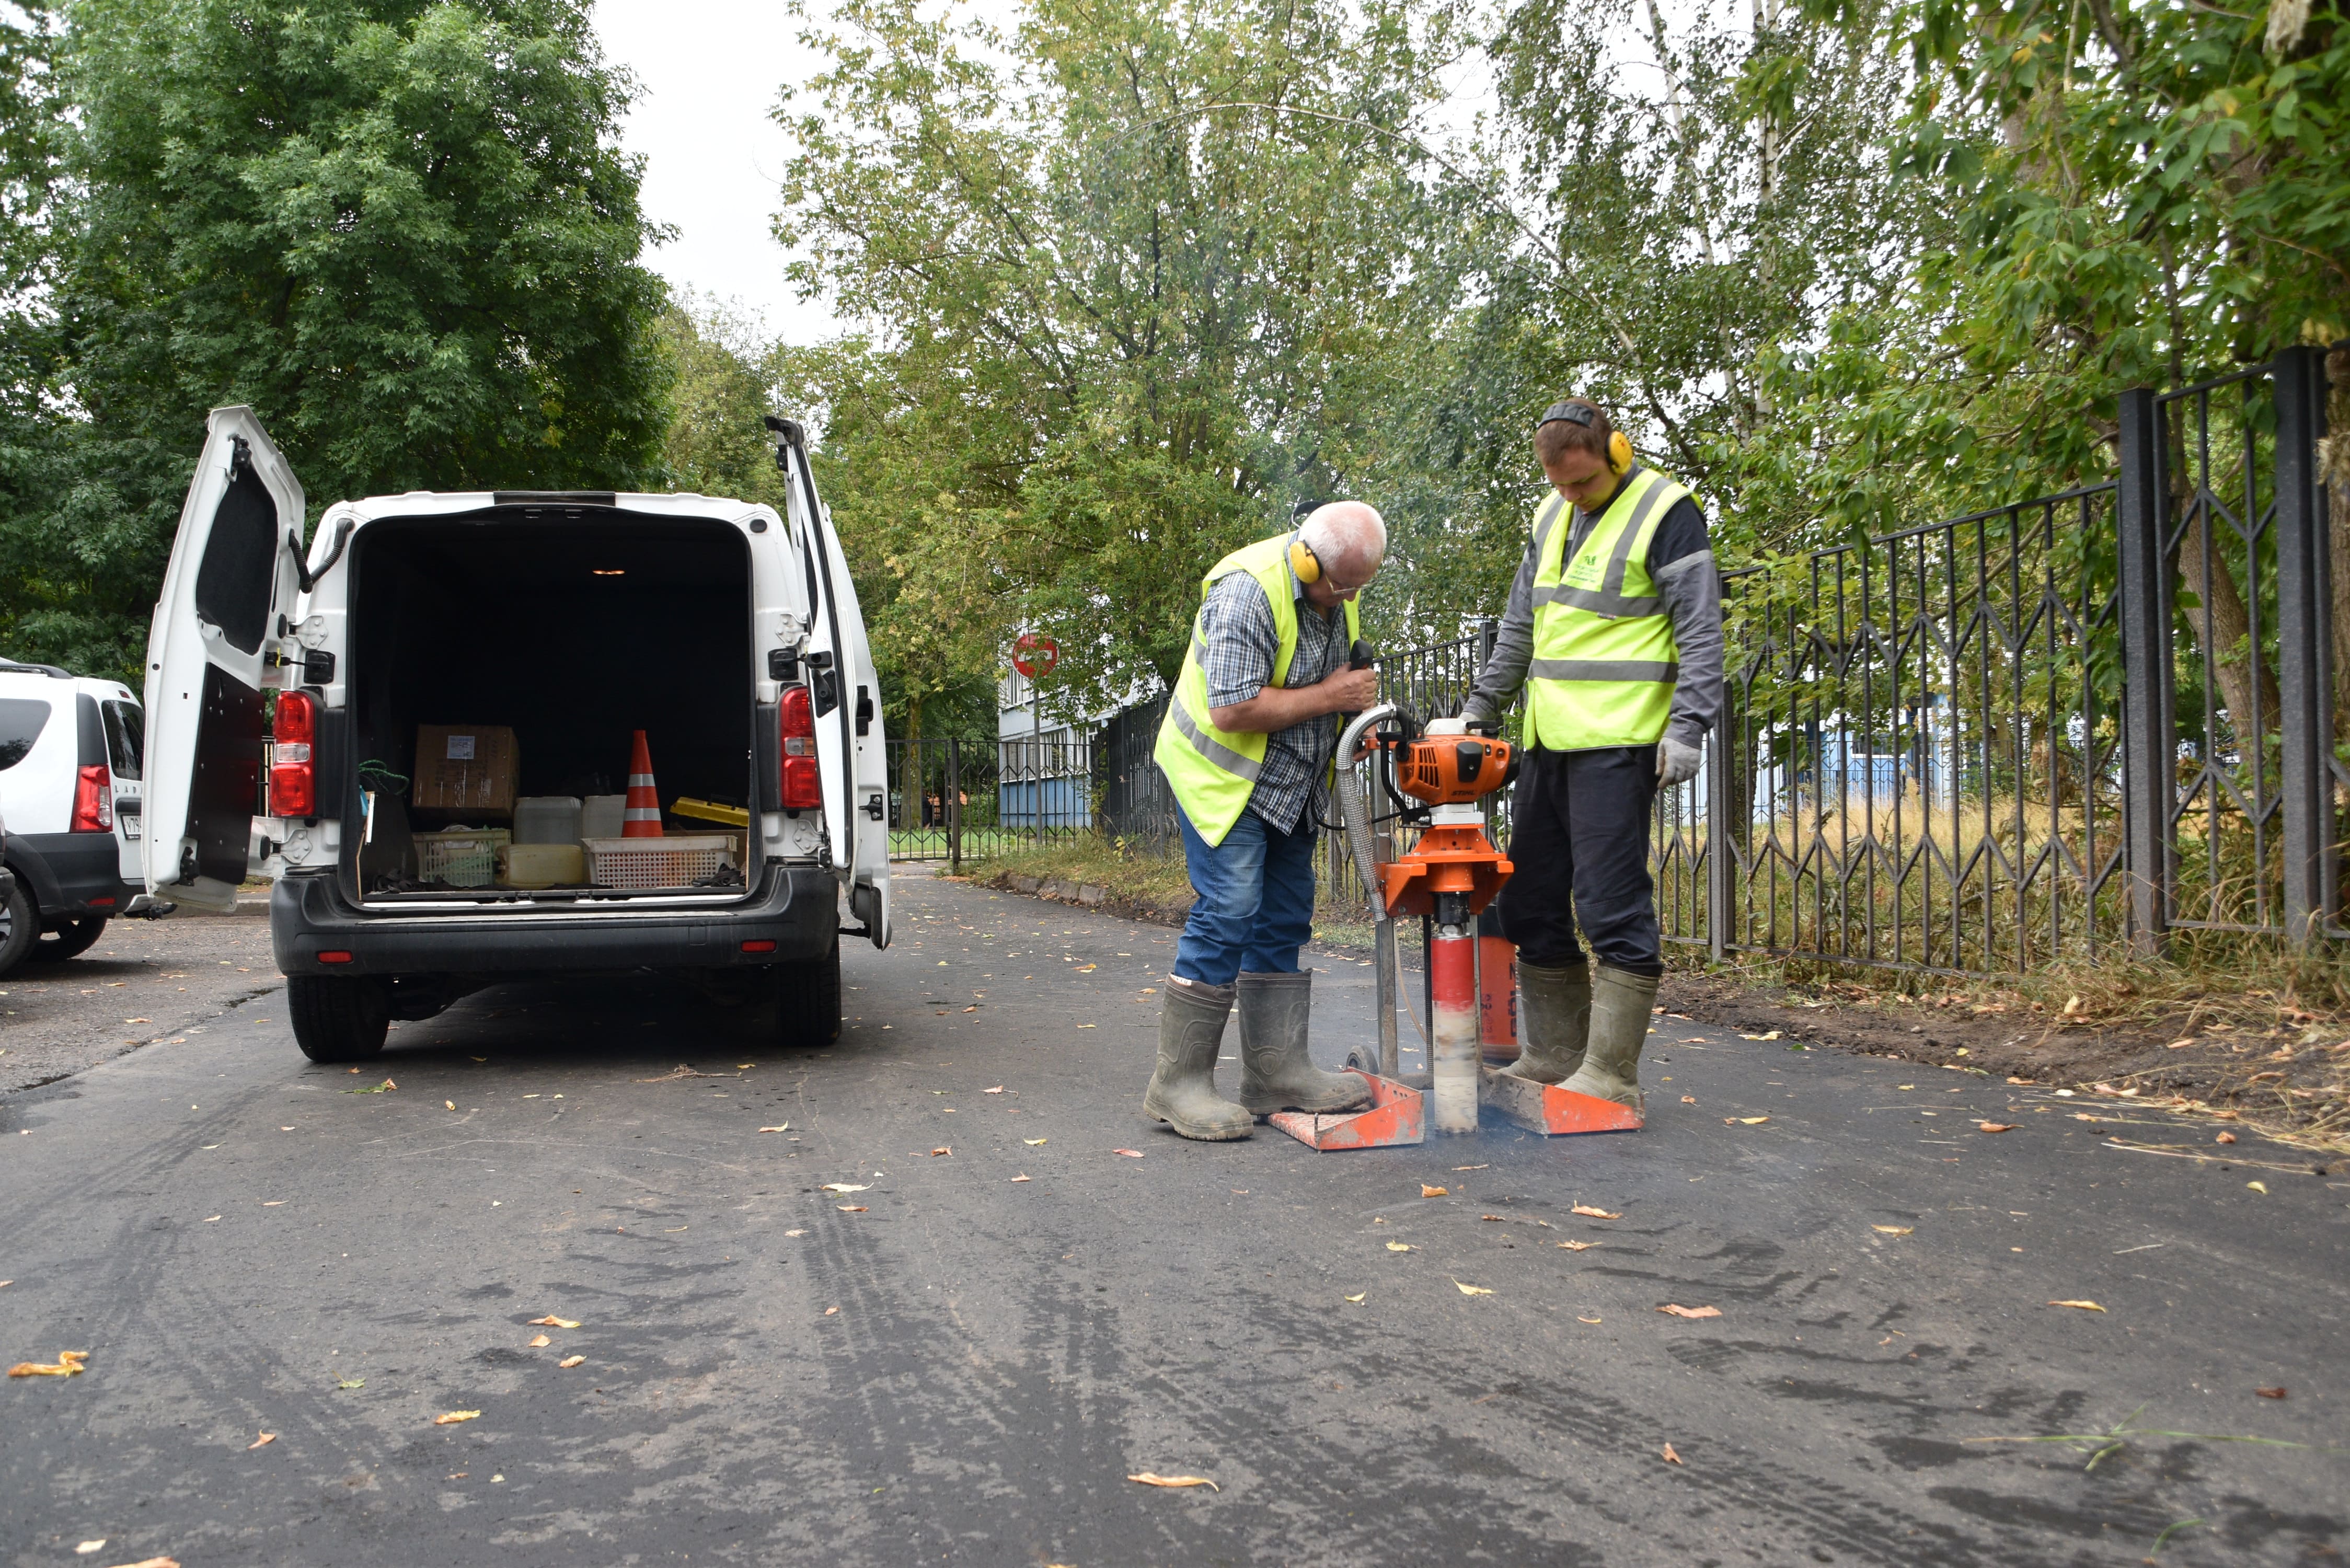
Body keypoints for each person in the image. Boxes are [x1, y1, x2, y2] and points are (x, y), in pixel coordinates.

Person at [1460, 399, 1724, 1110]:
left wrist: (1689, 727)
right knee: (1530, 900)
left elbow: (1701, 631)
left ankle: (1613, 1077)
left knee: (1609, 907)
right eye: (1559, 485)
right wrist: (1479, 709)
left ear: (1619, 453)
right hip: (1550, 740)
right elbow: (1522, 624)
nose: (1571, 497)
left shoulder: (1667, 512)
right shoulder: (1549, 517)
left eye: (1582, 483)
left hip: (1622, 741)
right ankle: (1554, 1055)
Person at [1145, 502, 1388, 1140]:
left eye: (1357, 589)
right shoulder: (1245, 595)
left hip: (1291, 785)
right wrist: (1332, 698)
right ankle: (1177, 1086)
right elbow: (1231, 708)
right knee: (1229, 909)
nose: (1346, 599)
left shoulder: (1338, 588)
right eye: (1339, 587)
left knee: (1283, 916)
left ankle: (1275, 1073)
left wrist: (1347, 724)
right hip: (1222, 779)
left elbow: (1322, 679)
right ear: (1307, 559)